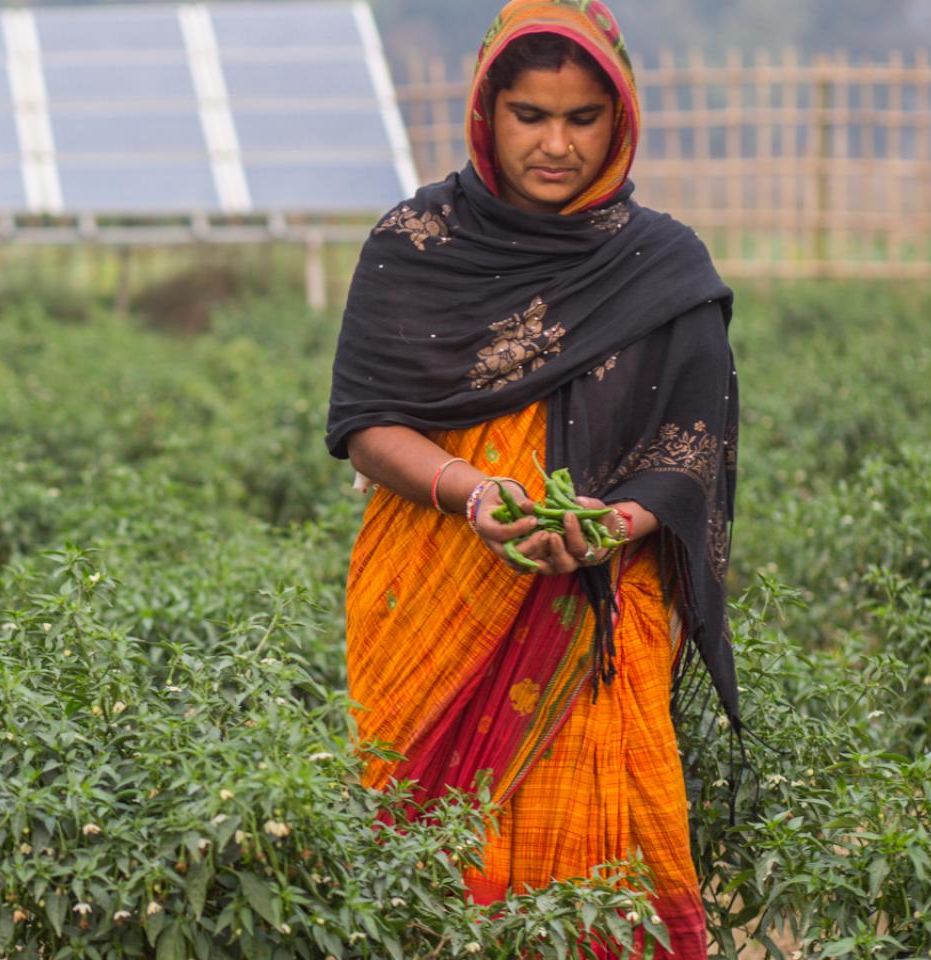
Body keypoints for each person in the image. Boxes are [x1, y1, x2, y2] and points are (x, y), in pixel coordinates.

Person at [324, 2, 739, 956]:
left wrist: (613, 523)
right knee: (422, 878)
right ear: (486, 110)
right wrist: (476, 492)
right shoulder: (415, 244)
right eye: (529, 115)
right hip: (435, 585)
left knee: (604, 865)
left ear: (621, 117)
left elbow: (690, 450)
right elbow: (366, 423)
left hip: (595, 605)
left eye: (582, 118)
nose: (554, 144)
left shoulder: (663, 267)